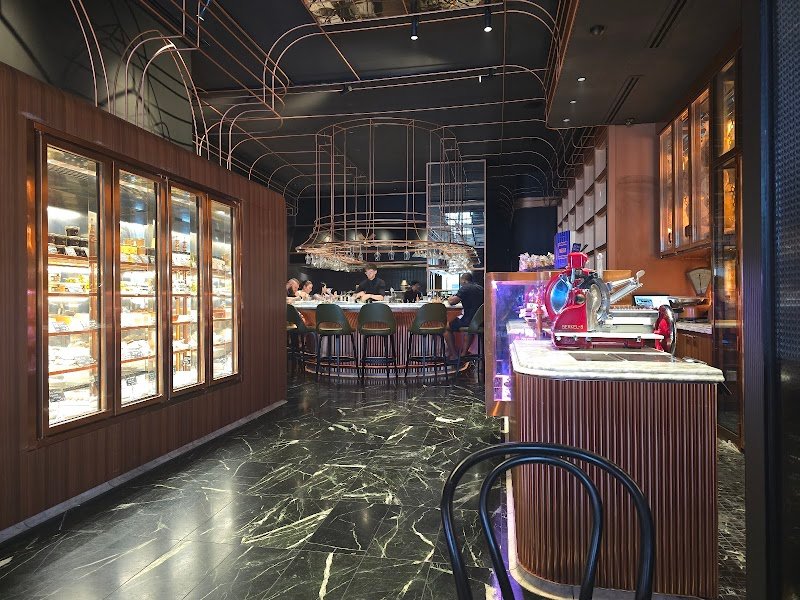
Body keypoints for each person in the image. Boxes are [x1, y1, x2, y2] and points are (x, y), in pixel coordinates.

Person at [445, 272, 484, 360]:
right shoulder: (480, 288)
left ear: (463, 280)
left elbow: (452, 302)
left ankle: (454, 355)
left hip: (468, 320)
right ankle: (463, 354)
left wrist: (449, 298)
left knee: (446, 328)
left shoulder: (465, 288)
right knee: (470, 330)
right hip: (479, 322)